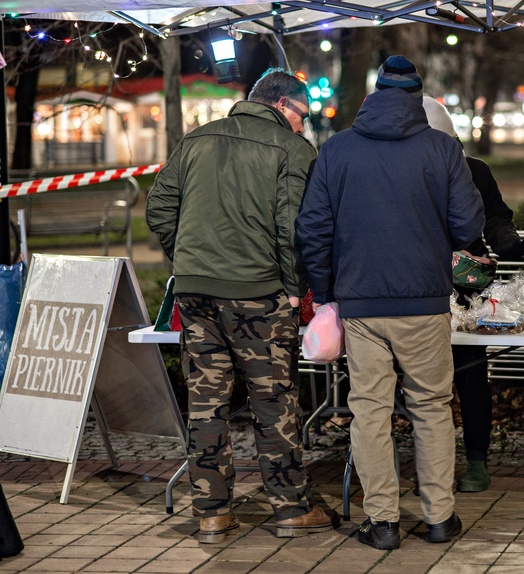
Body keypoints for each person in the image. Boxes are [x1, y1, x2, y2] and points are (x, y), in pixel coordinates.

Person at [296, 56, 485, 549]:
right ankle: (440, 517)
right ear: (417, 96)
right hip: (424, 302)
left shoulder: (336, 151)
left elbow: (312, 229)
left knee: (370, 413)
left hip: (360, 307)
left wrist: (327, 292)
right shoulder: (443, 149)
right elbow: (469, 227)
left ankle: (382, 523)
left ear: (374, 94)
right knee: (431, 408)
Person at [146, 68, 338, 544]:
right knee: (273, 401)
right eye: (303, 115)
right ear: (282, 105)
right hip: (260, 293)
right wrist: (294, 287)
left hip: (195, 294)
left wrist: (189, 259)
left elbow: (158, 209)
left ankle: (211, 512)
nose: (304, 125)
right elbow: (293, 225)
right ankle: (291, 509)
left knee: (206, 403)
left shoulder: (196, 140)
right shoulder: (292, 150)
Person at [422, 96, 524, 492]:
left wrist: (510, 245)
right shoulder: (408, 171)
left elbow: (496, 219)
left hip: (467, 293)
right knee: (421, 382)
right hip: (420, 291)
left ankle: (476, 460)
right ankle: (427, 463)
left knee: (470, 376)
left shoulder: (476, 171)